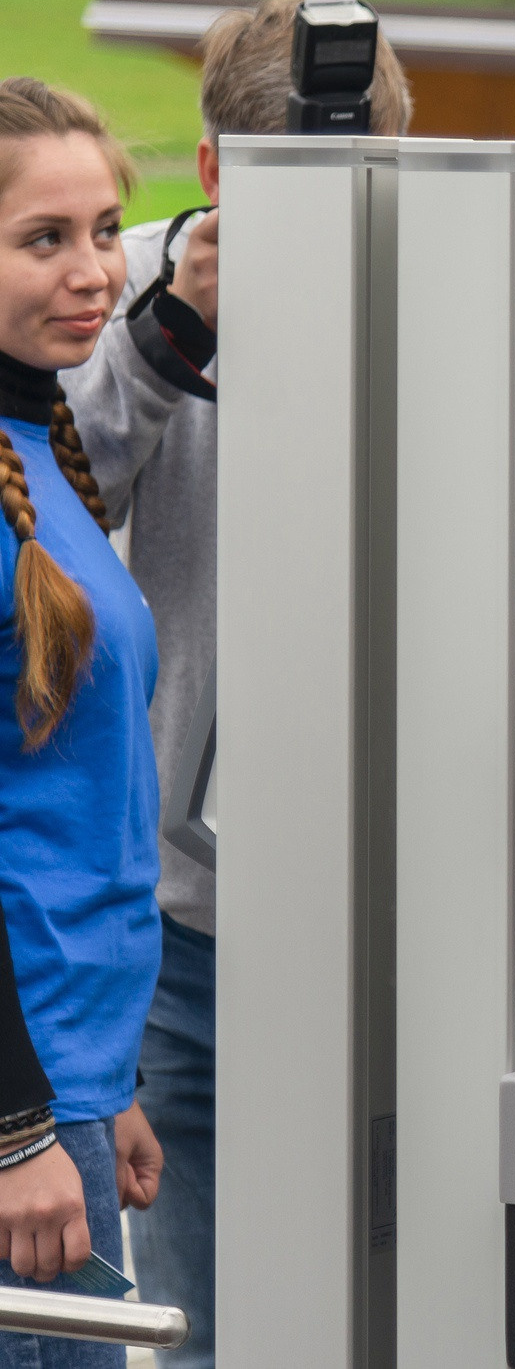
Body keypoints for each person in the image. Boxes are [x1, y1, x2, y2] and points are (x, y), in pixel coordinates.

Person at [53, 0, 414, 1367]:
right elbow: (50, 493)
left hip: (395, 917)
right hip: (188, 921)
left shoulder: (453, 279)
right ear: (212, 170)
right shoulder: (124, 286)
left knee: (384, 1316)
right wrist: (172, 337)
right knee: (198, 1326)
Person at [0, 79, 166, 1358]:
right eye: (43, 238)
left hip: (70, 1084)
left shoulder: (38, 436)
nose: (93, 270)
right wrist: (16, 1128)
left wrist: (105, 1090)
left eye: (106, 230)